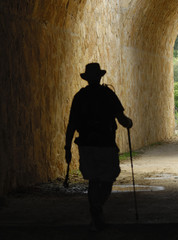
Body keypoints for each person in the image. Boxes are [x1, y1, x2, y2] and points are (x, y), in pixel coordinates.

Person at [65, 63, 133, 231]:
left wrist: (67, 147)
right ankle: (98, 208)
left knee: (93, 181)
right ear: (100, 77)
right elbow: (122, 119)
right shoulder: (108, 94)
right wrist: (129, 123)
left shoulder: (79, 96)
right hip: (106, 144)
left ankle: (95, 211)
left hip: (86, 145)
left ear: (87, 78)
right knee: (108, 178)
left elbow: (71, 124)